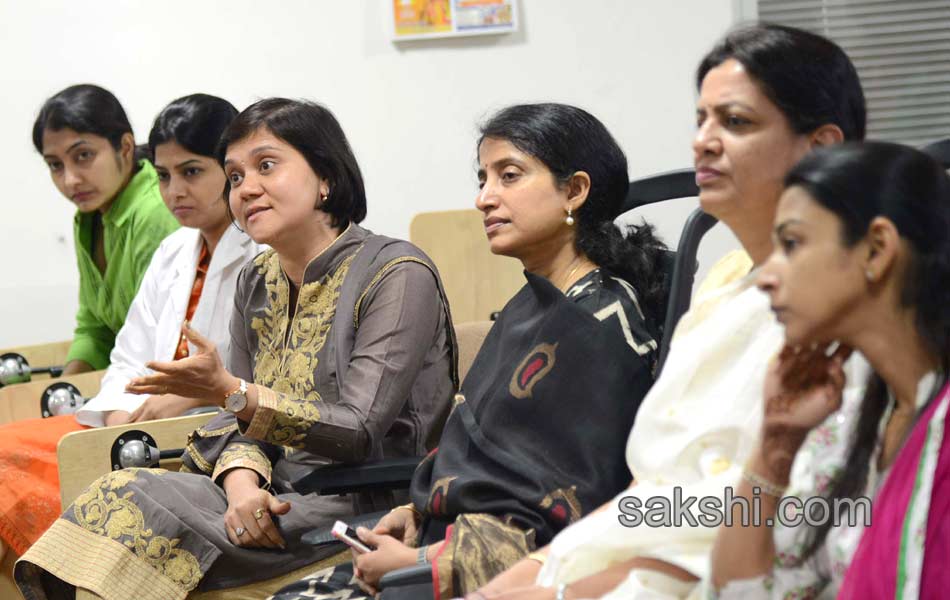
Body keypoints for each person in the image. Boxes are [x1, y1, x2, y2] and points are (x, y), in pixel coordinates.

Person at [472, 24, 868, 600]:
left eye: (734, 122)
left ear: (821, 147)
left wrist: (563, 590)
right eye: (701, 120)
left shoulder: (853, 308)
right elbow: (649, 492)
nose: (703, 142)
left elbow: (787, 526)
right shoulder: (724, 286)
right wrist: (538, 573)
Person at [15, 98, 457, 600]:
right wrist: (242, 484)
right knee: (122, 488)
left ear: (326, 177)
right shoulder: (258, 280)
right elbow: (235, 420)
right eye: (235, 175)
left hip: (363, 500)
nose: (246, 187)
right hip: (271, 491)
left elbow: (356, 429)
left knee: (136, 520)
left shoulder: (396, 274)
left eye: (266, 166)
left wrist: (232, 393)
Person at [268, 102, 668, 600]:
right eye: (483, 179)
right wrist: (414, 514)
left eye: (509, 176)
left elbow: (563, 515)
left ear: (575, 190)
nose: (484, 198)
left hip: (512, 574)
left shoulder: (601, 320)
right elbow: (482, 465)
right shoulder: (534, 303)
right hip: (446, 543)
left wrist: (421, 561)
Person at [0, 93, 260, 577]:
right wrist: (120, 416)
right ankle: (63, 569)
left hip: (208, 430)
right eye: (163, 175)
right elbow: (127, 355)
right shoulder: (173, 248)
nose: (174, 190)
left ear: (230, 169)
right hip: (135, 425)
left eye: (192, 172)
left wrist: (177, 400)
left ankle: (68, 571)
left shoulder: (261, 252)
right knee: (7, 451)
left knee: (30, 473)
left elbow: (262, 373)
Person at [711, 142, 950, 599]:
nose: (766, 275)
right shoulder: (854, 421)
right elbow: (742, 592)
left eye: (792, 244)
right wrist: (775, 445)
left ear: (877, 250)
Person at [33, 84, 180, 375]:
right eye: (55, 165)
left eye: (83, 155)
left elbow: (162, 344)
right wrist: (63, 386)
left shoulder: (155, 212)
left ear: (124, 147)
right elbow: (96, 329)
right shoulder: (88, 218)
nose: (70, 180)